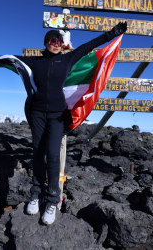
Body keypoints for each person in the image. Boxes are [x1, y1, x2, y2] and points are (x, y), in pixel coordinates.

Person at [16, 22, 127, 225]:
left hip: (58, 115)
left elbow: (90, 45)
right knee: (37, 153)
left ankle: (51, 199)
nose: (56, 44)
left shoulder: (67, 59)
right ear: (46, 43)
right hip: (38, 114)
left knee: (52, 154)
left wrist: (113, 33)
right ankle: (35, 194)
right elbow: (12, 60)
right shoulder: (35, 61)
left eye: (58, 41)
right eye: (52, 41)